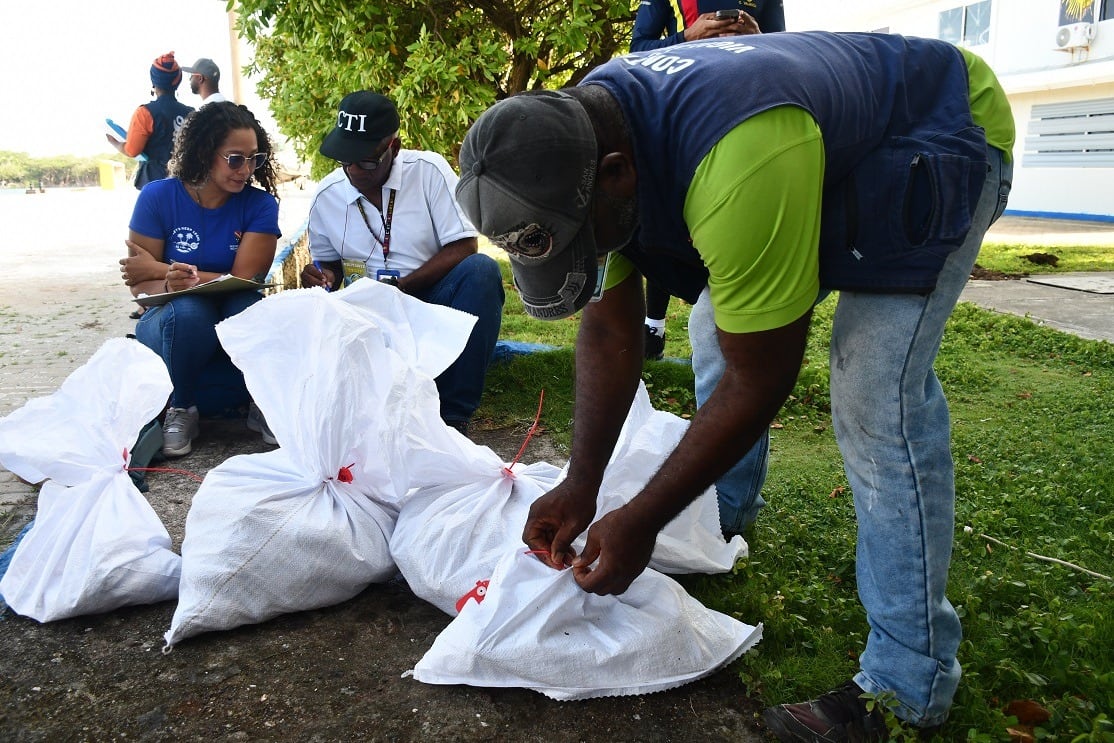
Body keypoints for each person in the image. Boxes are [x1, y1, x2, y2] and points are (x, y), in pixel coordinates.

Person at [456, 32, 1014, 741]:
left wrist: (646, 516)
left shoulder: (738, 156)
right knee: (716, 332)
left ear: (620, 175)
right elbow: (609, 332)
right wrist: (582, 483)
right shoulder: (582, 134)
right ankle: (726, 513)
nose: (589, 259)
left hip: (938, 126)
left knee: (876, 390)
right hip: (799, 145)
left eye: (584, 242)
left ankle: (910, 680)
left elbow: (765, 372)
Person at [300, 91, 504, 436]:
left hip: (427, 295)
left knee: (482, 271)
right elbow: (329, 266)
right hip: (368, 312)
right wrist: (321, 276)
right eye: (345, 160)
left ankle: (453, 416)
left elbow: (465, 245)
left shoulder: (428, 171)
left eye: (366, 161)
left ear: (393, 147)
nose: (354, 171)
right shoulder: (326, 196)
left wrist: (403, 288)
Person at [119, 102, 282, 457]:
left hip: (231, 310)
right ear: (205, 153)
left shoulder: (260, 205)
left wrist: (165, 270)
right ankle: (181, 407)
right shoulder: (157, 197)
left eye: (255, 158)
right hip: (169, 319)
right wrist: (167, 284)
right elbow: (139, 284)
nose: (246, 169)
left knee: (248, 305)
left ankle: (262, 402)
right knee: (190, 310)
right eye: (235, 158)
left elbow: (244, 279)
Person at [631, 1, 783, 360]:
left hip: (748, 108)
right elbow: (639, 50)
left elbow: (785, 48)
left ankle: (740, 326)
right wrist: (688, 35)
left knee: (737, 214)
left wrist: (756, 37)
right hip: (686, 107)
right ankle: (654, 325)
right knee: (667, 218)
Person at [105, 52, 195, 190]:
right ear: (177, 81)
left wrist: (116, 143)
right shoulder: (191, 113)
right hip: (186, 186)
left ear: (153, 81)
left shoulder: (145, 113)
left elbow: (132, 151)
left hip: (155, 186)